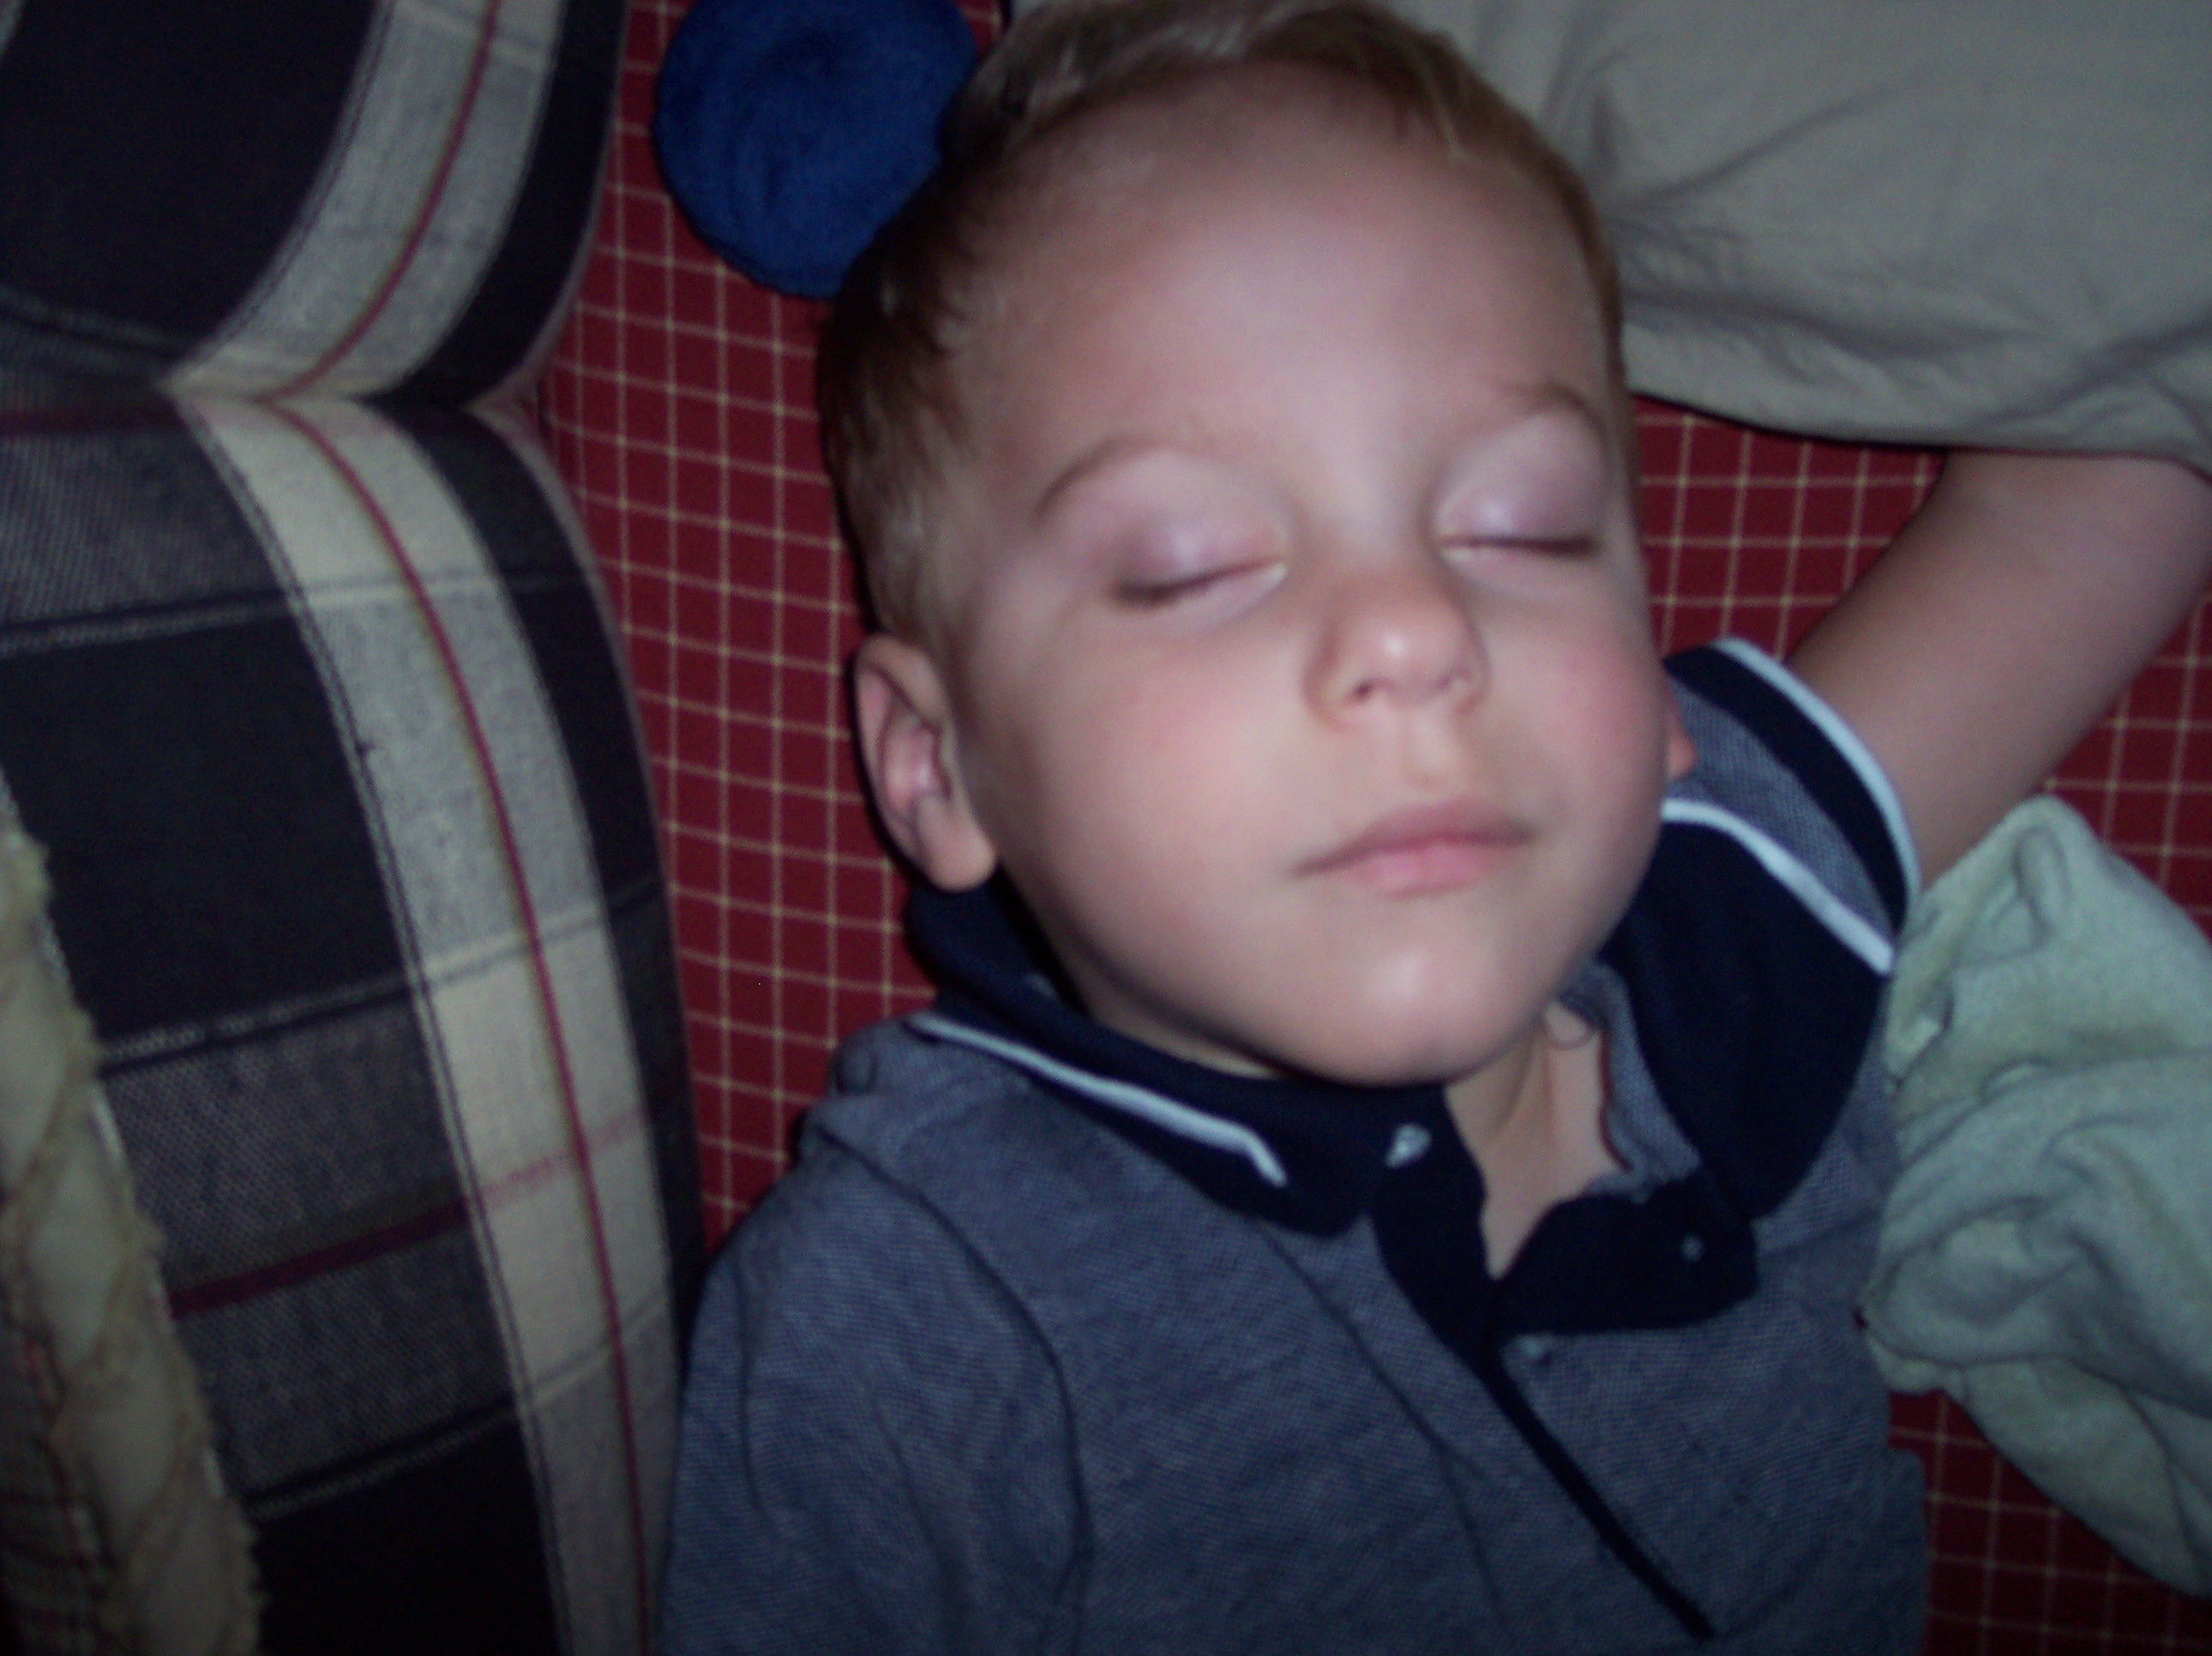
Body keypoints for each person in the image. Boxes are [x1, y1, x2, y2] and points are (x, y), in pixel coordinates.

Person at [658, 1, 2212, 1649]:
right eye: (1189, 564)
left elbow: (2116, 473)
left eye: (1524, 529)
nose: (1415, 627)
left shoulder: (1732, 920)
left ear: (1655, 690)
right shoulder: (922, 1307)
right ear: (936, 767)